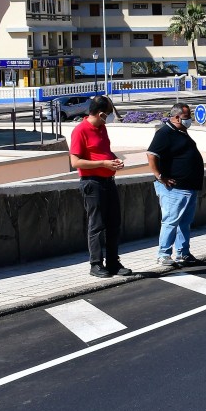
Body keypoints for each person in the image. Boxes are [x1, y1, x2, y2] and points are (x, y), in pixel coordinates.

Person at [69, 95, 132, 278]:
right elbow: (76, 162)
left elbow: (103, 152)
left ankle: (113, 262)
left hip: (108, 182)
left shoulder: (102, 128)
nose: (108, 119)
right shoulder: (80, 130)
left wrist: (113, 160)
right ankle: (96, 264)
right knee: (96, 225)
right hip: (92, 183)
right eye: (107, 115)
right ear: (100, 113)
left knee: (114, 223)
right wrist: (103, 164)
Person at [147, 103, 203, 267]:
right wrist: (160, 176)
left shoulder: (181, 132)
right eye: (187, 117)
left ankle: (183, 253)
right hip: (174, 188)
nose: (189, 120)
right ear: (177, 117)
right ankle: (163, 254)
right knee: (171, 221)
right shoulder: (164, 133)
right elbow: (151, 155)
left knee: (184, 223)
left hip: (189, 186)